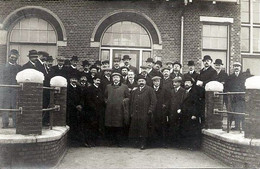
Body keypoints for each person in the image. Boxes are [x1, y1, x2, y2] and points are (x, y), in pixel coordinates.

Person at [129, 75, 157, 150]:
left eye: (142, 81)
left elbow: (153, 101)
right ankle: (136, 142)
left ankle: (143, 143)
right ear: (137, 82)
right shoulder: (135, 91)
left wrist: (150, 110)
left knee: (144, 129)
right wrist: (131, 112)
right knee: (135, 128)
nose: (141, 82)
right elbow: (131, 102)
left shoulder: (150, 89)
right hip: (136, 112)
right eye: (139, 81)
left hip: (145, 112)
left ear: (145, 82)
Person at [179, 76, 205, 149]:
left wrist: (195, 114)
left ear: (191, 84)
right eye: (185, 82)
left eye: (188, 82)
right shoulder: (184, 91)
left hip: (192, 114)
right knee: (186, 129)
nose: (186, 84)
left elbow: (197, 104)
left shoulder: (194, 92)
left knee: (193, 130)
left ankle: (193, 146)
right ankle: (187, 145)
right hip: (185, 114)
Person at [105, 72, 130, 147]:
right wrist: (107, 102)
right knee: (110, 126)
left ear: (120, 79)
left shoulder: (124, 87)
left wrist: (124, 101)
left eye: (117, 77)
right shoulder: (108, 86)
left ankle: (120, 142)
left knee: (119, 126)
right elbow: (105, 96)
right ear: (112, 79)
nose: (115, 79)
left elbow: (128, 97)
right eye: (114, 77)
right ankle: (111, 142)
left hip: (119, 109)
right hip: (110, 109)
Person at [0, 49, 21, 128]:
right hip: (5, 91)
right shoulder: (2, 67)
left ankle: (15, 123)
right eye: (12, 57)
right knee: (5, 107)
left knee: (15, 106)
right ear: (8, 57)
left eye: (15, 57)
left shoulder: (19, 68)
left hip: (15, 90)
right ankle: (5, 123)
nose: (13, 59)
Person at [84, 75, 105, 147]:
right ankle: (89, 141)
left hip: (99, 111)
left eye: (99, 81)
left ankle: (95, 141)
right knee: (90, 126)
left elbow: (102, 100)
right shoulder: (89, 89)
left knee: (97, 126)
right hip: (91, 111)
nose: (98, 82)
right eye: (97, 80)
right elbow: (88, 100)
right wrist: (94, 107)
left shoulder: (100, 89)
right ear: (94, 81)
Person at [225, 62, 247, 130]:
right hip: (233, 97)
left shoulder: (244, 76)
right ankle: (237, 127)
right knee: (235, 111)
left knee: (242, 111)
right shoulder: (230, 77)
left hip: (242, 98)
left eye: (238, 66)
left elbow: (245, 86)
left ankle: (243, 127)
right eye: (235, 66)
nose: (236, 68)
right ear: (233, 68)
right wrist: (228, 92)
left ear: (240, 68)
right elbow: (227, 86)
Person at [151, 76, 170, 148]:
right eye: (155, 81)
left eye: (158, 81)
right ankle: (153, 143)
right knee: (152, 126)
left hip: (161, 111)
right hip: (153, 110)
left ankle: (163, 143)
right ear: (153, 82)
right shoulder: (150, 89)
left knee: (162, 126)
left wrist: (165, 105)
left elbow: (168, 99)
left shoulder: (164, 90)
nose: (156, 83)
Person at [168, 76, 186, 146]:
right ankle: (172, 142)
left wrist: (180, 109)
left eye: (175, 82)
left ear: (179, 83)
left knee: (178, 126)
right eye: (173, 82)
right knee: (172, 126)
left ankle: (178, 143)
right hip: (172, 111)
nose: (174, 84)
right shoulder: (172, 91)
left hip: (179, 111)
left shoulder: (183, 91)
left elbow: (183, 101)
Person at [67, 75, 83, 145]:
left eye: (75, 79)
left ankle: (77, 141)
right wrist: (75, 106)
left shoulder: (79, 88)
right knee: (71, 123)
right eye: (72, 79)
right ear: (70, 80)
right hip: (71, 109)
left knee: (78, 124)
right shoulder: (68, 88)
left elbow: (82, 97)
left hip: (79, 109)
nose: (74, 81)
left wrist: (80, 105)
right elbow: (68, 99)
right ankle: (71, 141)